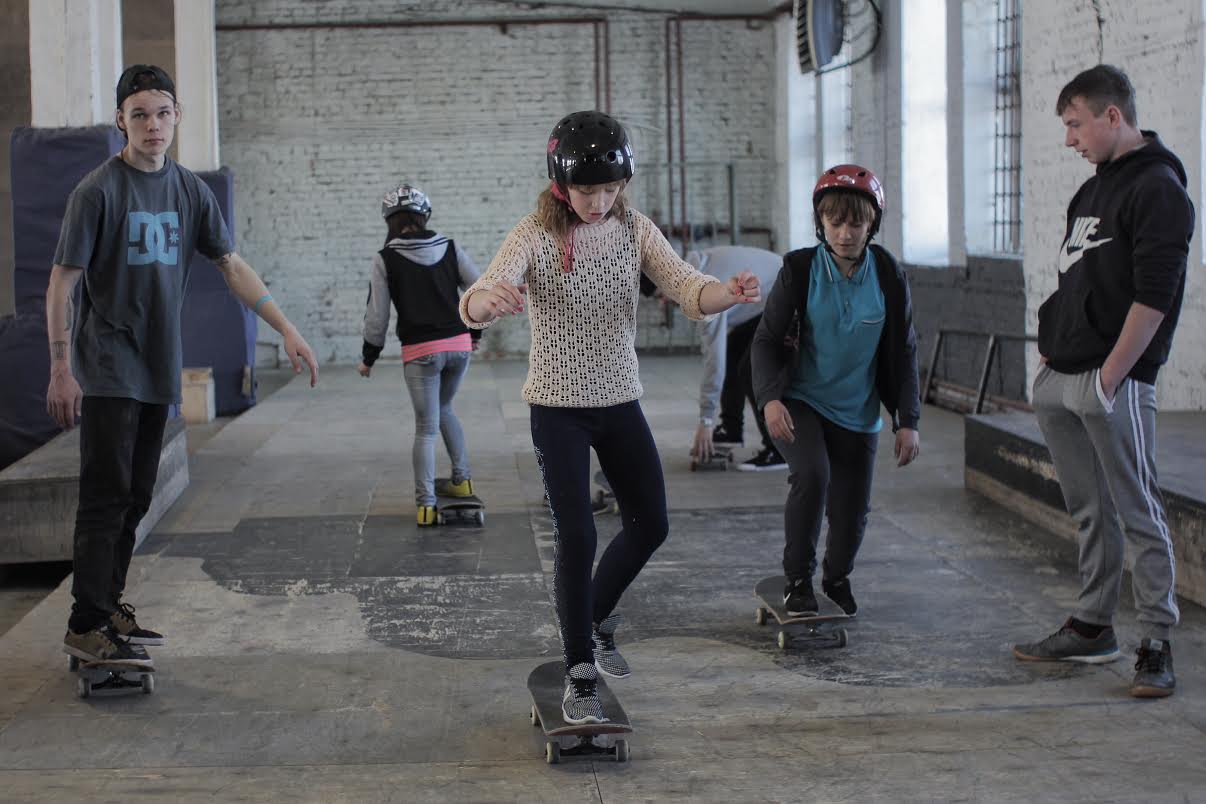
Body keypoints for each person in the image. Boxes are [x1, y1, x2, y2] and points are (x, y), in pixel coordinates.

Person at [460, 110, 760, 724]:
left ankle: (593, 619)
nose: (599, 202)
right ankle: (579, 672)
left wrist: (725, 294)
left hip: (620, 399)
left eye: (610, 189)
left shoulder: (633, 229)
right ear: (559, 185)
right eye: (587, 191)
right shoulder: (533, 235)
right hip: (557, 408)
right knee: (577, 534)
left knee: (651, 523)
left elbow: (685, 284)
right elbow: (480, 295)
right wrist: (485, 302)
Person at [45, 65, 319, 667]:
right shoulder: (97, 191)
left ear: (177, 117)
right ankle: (84, 622)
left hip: (158, 366)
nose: (152, 125)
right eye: (139, 113)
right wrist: (61, 366)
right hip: (109, 364)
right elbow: (62, 282)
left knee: (138, 494)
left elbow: (231, 266)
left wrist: (288, 329)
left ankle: (108, 603)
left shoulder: (189, 190)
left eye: (162, 112)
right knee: (106, 494)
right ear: (121, 119)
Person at [1011, 65, 1193, 699]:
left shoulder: (1160, 188)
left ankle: (1156, 641)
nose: (1070, 139)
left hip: (1113, 381)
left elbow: (1156, 297)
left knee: (1138, 509)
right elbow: (1075, 282)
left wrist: (1114, 376)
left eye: (1075, 124)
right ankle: (1093, 625)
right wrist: (1052, 354)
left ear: (1112, 116)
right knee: (1088, 509)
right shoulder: (1092, 192)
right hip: (1064, 375)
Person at [751, 164, 920, 620]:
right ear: (821, 223)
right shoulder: (800, 269)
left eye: (856, 223)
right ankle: (798, 581)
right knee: (813, 475)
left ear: (872, 225)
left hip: (858, 408)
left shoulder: (887, 274)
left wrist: (909, 420)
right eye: (836, 222)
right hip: (801, 401)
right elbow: (766, 340)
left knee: (851, 511)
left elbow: (904, 352)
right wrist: (770, 399)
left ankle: (836, 577)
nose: (845, 233)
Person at [357, 183, 481, 526]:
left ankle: (427, 505)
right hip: (458, 346)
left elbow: (377, 316)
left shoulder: (385, 259)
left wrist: (369, 356)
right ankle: (462, 480)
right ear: (424, 216)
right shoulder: (451, 247)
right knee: (445, 409)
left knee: (426, 428)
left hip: (421, 352)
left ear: (389, 222)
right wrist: (474, 332)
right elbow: (480, 288)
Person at [686, 246, 786, 471]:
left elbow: (714, 360)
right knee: (733, 352)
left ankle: (779, 450)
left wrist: (706, 420)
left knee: (750, 368)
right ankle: (732, 429)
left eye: (664, 297)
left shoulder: (704, 291)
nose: (667, 304)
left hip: (788, 295)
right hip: (764, 300)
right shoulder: (693, 267)